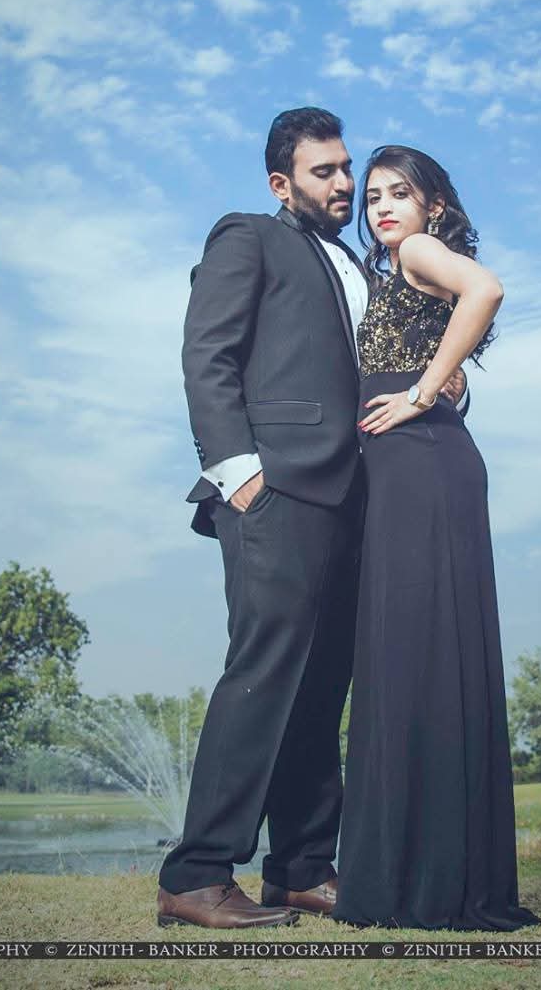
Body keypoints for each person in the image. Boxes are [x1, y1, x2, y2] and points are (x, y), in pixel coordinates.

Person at [160, 109, 463, 929]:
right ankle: (196, 873)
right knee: (262, 676)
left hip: (354, 499)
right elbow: (207, 354)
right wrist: (239, 473)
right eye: (324, 171)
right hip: (275, 490)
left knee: (320, 687)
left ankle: (298, 867)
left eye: (345, 168)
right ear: (280, 181)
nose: (342, 184)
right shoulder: (249, 236)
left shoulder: (362, 263)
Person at [331, 145, 539, 932]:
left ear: (432, 208)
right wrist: (436, 381)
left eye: (400, 193)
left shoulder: (417, 252)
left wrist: (421, 392)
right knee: (413, 657)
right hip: (413, 471)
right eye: (374, 195)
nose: (382, 206)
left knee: (419, 655)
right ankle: (425, 878)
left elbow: (485, 289)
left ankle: (424, 882)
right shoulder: (393, 272)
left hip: (424, 468)